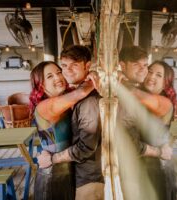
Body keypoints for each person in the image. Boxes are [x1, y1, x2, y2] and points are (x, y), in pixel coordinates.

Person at [37, 45, 104, 200]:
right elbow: (80, 92)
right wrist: (90, 78)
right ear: (40, 84)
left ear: (87, 65)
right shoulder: (47, 106)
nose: (63, 75)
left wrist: (91, 75)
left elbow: (86, 147)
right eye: (64, 66)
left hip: (83, 177)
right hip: (53, 175)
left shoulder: (82, 101)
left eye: (58, 72)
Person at [118, 46, 176, 200]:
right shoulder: (139, 99)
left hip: (158, 167)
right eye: (150, 71)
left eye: (159, 75)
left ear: (165, 83)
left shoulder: (164, 103)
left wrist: (119, 80)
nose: (151, 76)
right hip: (141, 166)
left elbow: (134, 93)